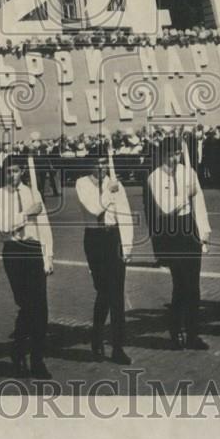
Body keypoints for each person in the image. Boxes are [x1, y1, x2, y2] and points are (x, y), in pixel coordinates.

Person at [0, 156, 52, 379]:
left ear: (22, 171)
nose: (12, 175)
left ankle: (37, 359)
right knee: (26, 304)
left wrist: (48, 256)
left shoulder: (33, 193)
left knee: (41, 308)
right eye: (8, 171)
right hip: (14, 251)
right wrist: (27, 213)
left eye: (15, 171)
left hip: (33, 249)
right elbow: (4, 225)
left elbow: (44, 226)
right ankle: (18, 350)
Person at [148, 136, 211, 350]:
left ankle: (193, 334)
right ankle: (175, 331)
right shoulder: (155, 178)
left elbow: (198, 202)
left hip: (188, 227)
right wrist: (186, 194)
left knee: (193, 285)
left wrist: (204, 229)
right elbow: (165, 207)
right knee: (181, 284)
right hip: (170, 231)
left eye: (177, 154)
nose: (175, 159)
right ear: (162, 155)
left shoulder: (188, 172)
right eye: (170, 155)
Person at [75, 148, 133, 364]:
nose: (101, 167)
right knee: (103, 291)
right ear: (90, 165)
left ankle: (118, 347)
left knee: (117, 294)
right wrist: (110, 192)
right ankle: (97, 335)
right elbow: (94, 209)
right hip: (94, 239)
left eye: (104, 163)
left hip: (113, 237)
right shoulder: (82, 183)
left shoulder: (115, 183)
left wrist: (127, 246)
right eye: (97, 163)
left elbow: (125, 215)